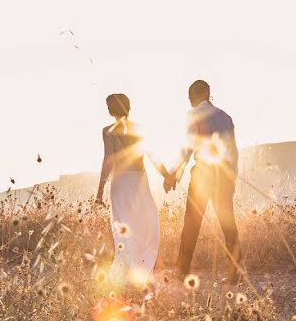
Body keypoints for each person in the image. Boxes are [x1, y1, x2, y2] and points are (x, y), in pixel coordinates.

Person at [165, 80, 241, 283]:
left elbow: (186, 148)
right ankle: (235, 272)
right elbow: (233, 152)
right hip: (224, 174)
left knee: (191, 222)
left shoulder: (193, 115)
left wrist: (172, 174)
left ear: (197, 95)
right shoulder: (226, 117)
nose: (189, 99)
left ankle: (182, 270)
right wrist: (232, 176)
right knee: (228, 223)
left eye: (190, 95)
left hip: (203, 175)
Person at [96, 93, 171, 285]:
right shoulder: (139, 129)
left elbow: (108, 161)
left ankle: (129, 271)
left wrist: (100, 189)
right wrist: (166, 175)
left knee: (124, 225)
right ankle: (139, 268)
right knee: (146, 222)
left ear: (112, 109)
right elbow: (152, 155)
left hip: (121, 182)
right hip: (139, 180)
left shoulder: (108, 131)